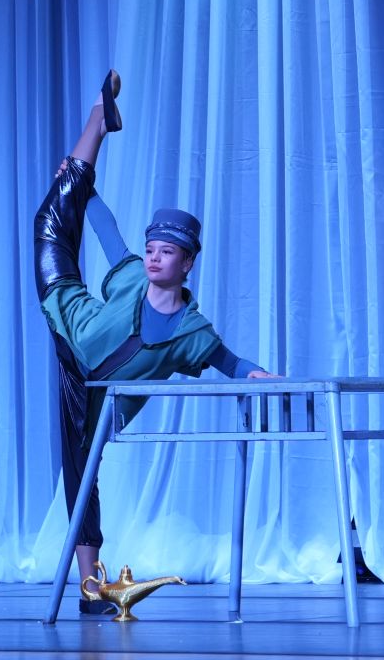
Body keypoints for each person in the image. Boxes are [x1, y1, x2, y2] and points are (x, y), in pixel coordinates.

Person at [33, 72, 272, 608]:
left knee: (81, 473)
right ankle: (98, 119)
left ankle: (89, 588)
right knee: (52, 215)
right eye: (152, 249)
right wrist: (80, 189)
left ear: (187, 263)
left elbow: (229, 361)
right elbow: (105, 230)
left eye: (167, 252)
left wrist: (253, 371)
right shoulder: (131, 276)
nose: (155, 257)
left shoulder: (192, 332)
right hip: (69, 320)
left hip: (95, 397)